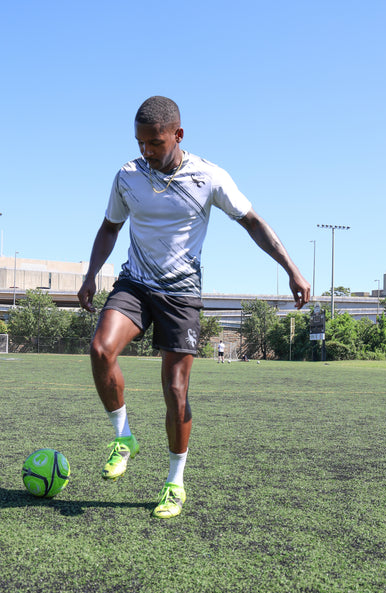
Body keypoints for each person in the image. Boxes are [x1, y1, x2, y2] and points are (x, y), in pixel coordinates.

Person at [78, 96, 310, 519]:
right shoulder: (127, 176)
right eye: (140, 142)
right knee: (99, 350)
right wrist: (91, 273)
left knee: (176, 391)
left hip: (182, 293)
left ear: (178, 135)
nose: (145, 151)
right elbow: (110, 226)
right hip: (135, 283)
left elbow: (253, 222)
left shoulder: (209, 176)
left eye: (155, 142)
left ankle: (174, 483)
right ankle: (122, 436)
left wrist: (292, 269)